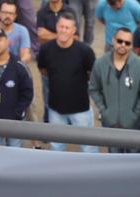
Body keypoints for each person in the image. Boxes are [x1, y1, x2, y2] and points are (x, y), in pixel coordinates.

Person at [36, 12, 98, 152]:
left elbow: (91, 74)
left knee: (89, 147)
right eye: (61, 26)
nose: (63, 30)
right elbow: (43, 70)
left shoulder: (85, 51)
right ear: (56, 27)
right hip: (55, 109)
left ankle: (93, 173)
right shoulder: (46, 49)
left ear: (74, 30)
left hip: (81, 108)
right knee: (56, 146)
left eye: (67, 28)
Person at [90, 27, 140, 140]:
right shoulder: (100, 64)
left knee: (133, 156)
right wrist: (104, 111)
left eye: (127, 43)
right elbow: (94, 89)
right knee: (113, 157)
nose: (123, 45)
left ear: (131, 45)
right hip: (109, 125)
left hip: (134, 127)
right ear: (113, 40)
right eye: (120, 41)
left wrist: (134, 115)